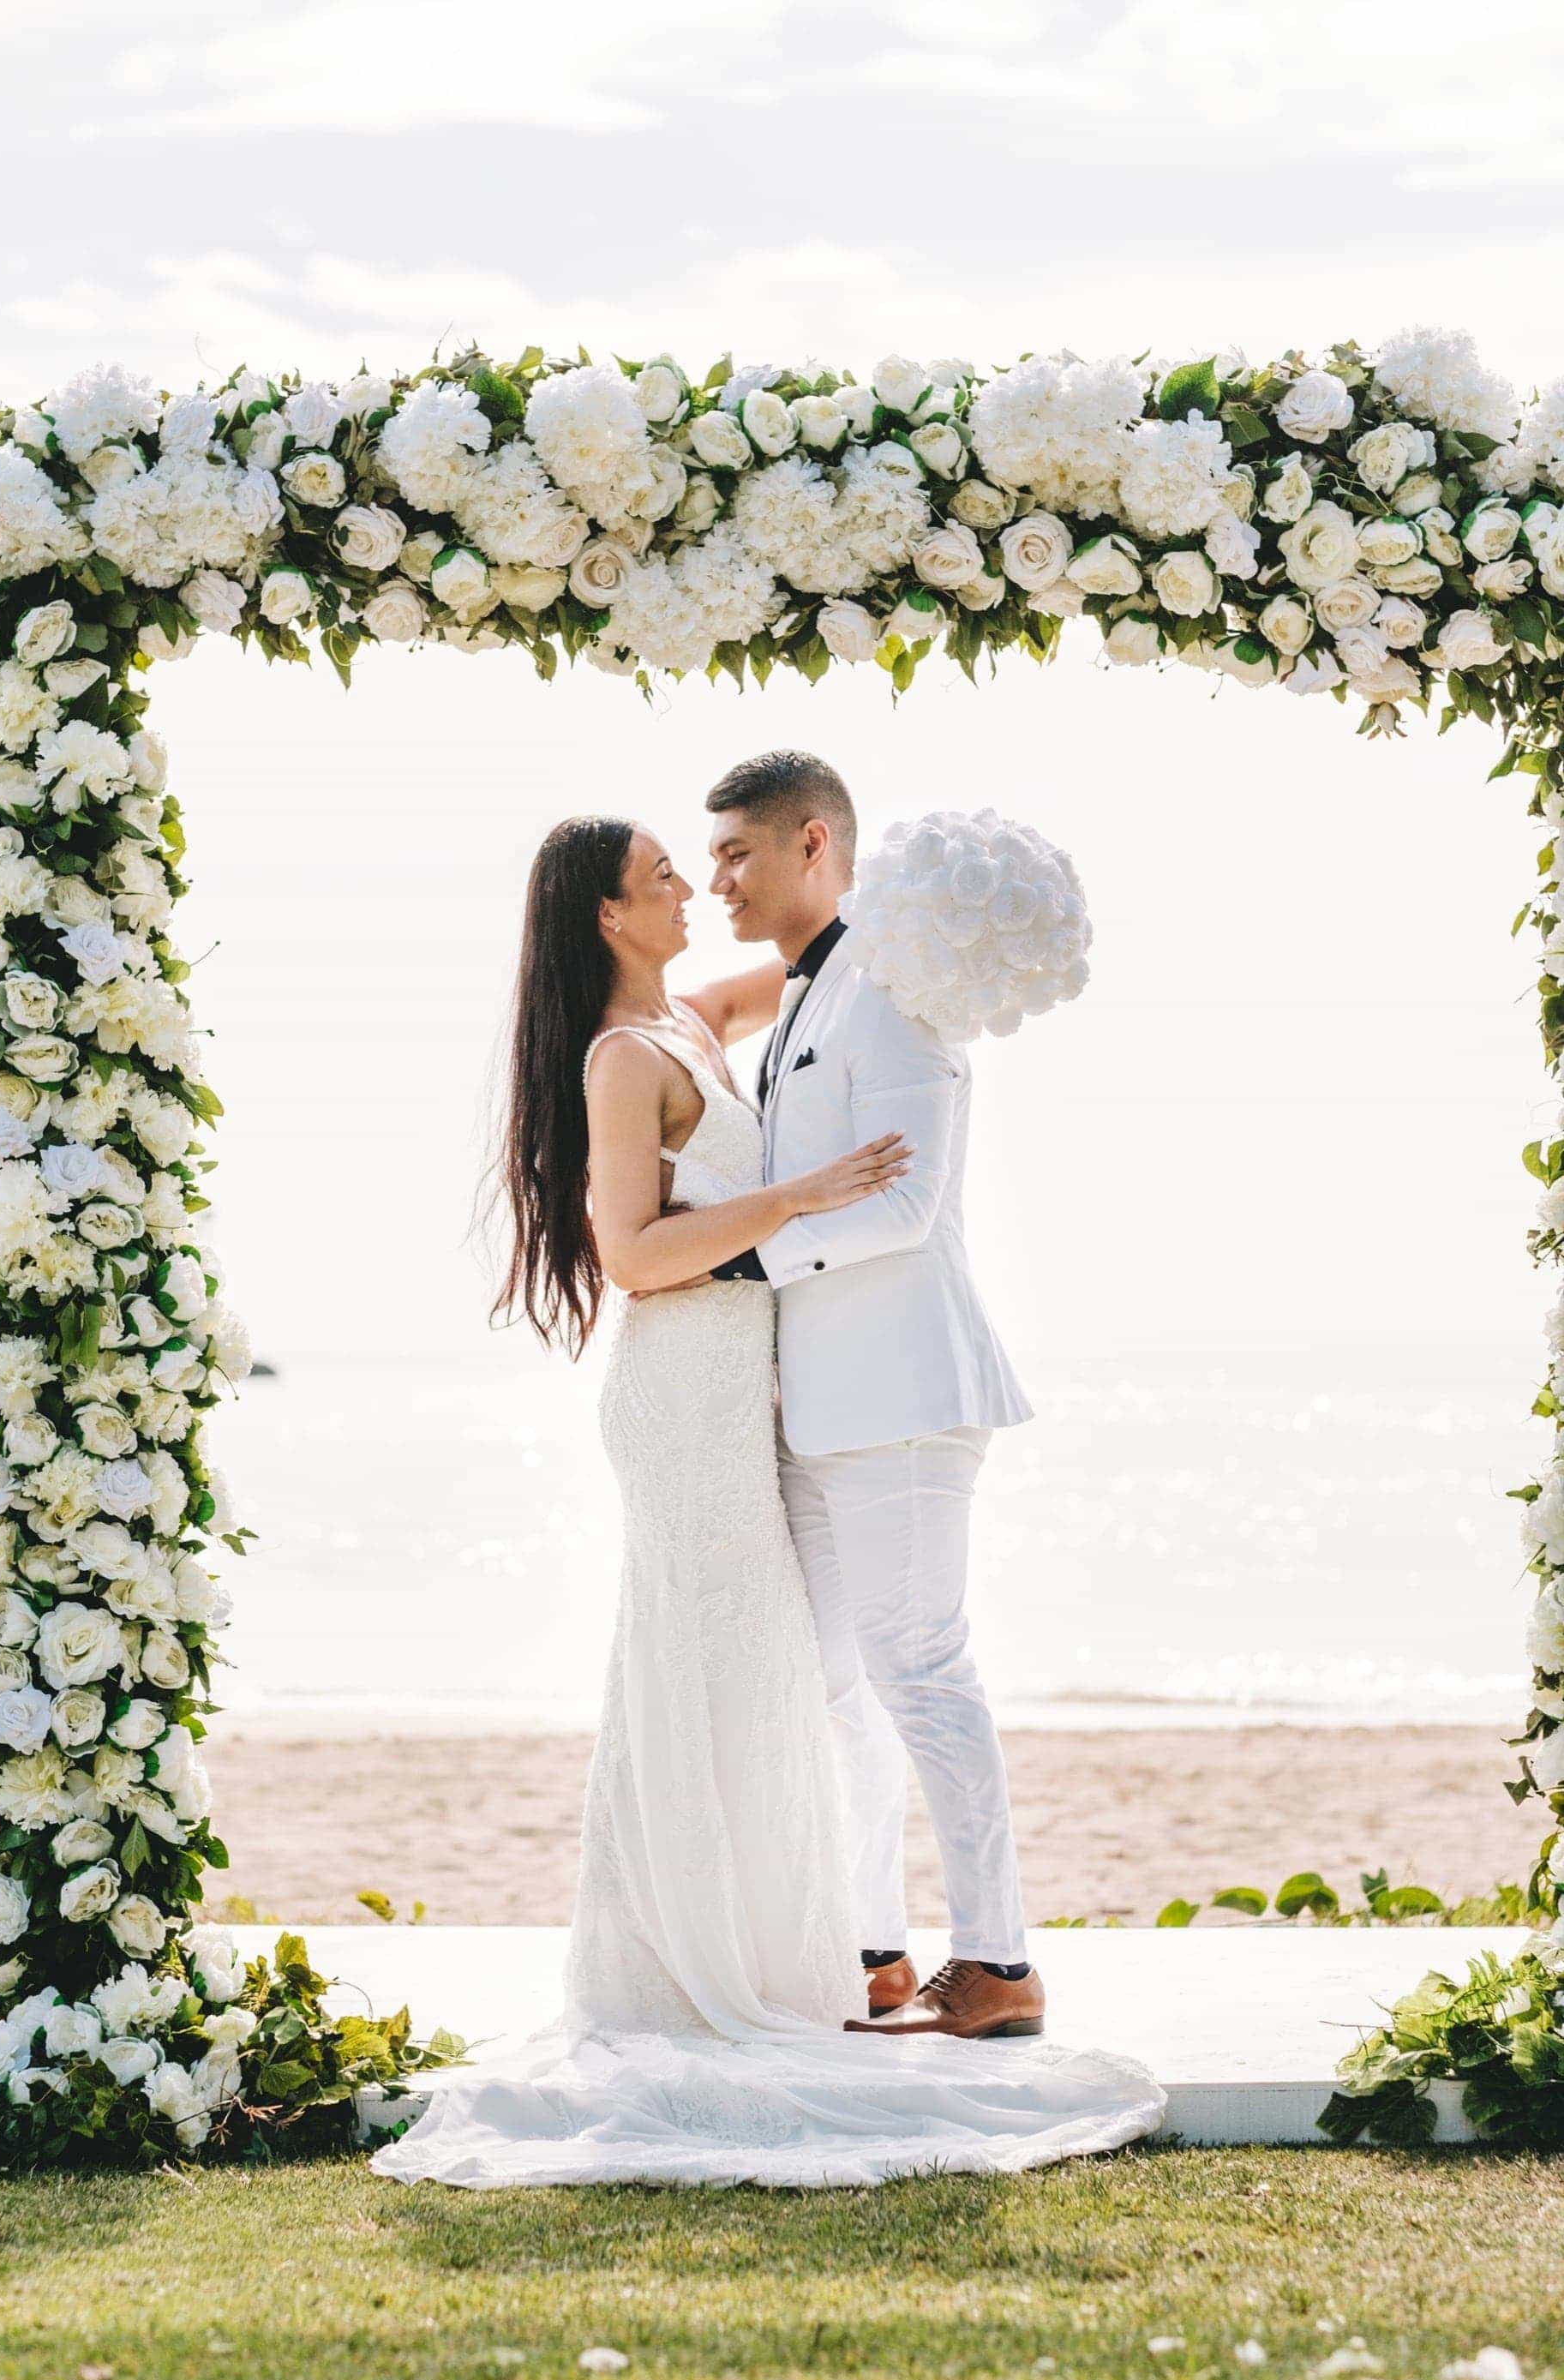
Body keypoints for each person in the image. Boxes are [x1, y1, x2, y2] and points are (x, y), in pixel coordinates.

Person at [369, 813, 1162, 2189]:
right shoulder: (626, 1056)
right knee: (711, 1670)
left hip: (758, 1397)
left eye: (712, 858)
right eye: (668, 874)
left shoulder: (686, 1017)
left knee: (774, 1679)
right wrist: (797, 1199)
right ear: (610, 916)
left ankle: (803, 1948)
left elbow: (825, 969)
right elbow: (631, 1252)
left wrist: (909, 929)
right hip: (686, 1395)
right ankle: (697, 1963)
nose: (695, 884)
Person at [702, 751, 1036, 2041]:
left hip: (902, 1395)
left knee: (922, 1671)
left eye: (738, 852)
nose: (722, 876)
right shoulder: (808, 997)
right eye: (711, 855)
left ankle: (999, 1959)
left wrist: (736, 1255)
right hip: (822, 1407)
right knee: (837, 1688)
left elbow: (904, 1205)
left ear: (814, 845)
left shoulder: (893, 996)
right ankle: (875, 1949)